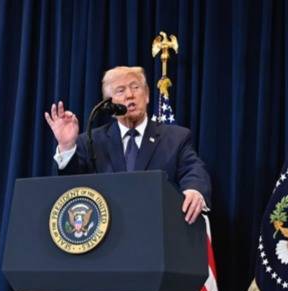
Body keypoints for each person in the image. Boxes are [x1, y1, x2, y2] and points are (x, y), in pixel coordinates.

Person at [44, 65, 210, 223]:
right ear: (109, 105)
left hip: (158, 228)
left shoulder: (175, 137)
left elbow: (193, 170)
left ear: (147, 95)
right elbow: (72, 188)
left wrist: (194, 191)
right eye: (120, 90)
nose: (130, 95)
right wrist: (66, 146)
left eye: (135, 87)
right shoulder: (91, 141)